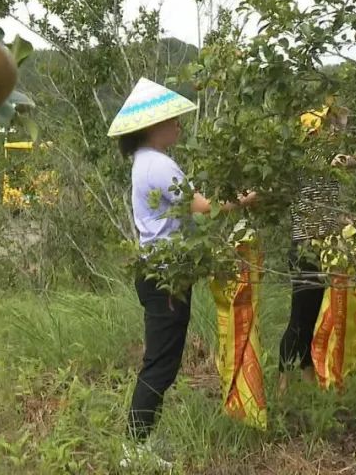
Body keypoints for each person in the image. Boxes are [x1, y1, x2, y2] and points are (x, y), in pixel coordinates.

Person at [107, 77, 256, 466]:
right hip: (166, 277)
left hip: (160, 272)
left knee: (161, 362)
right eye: (172, 119)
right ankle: (133, 450)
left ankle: (140, 444)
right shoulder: (158, 164)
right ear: (153, 125)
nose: (178, 125)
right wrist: (247, 199)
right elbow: (203, 207)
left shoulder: (146, 161)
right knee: (160, 364)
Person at [278, 99, 356, 394]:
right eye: (328, 125)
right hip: (306, 250)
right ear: (315, 132)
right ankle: (283, 383)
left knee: (312, 315)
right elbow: (352, 161)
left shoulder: (321, 158)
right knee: (300, 319)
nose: (336, 129)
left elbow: (348, 164)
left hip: (320, 250)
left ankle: (305, 379)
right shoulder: (312, 158)